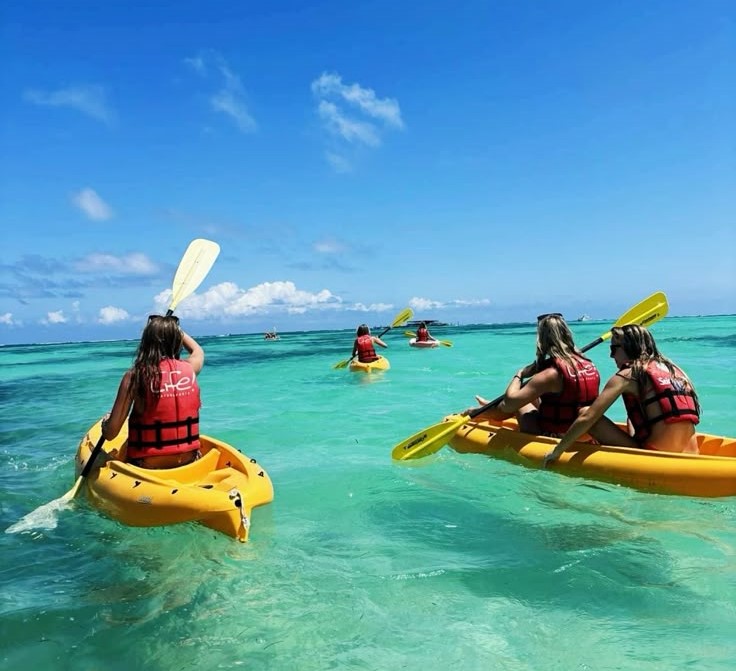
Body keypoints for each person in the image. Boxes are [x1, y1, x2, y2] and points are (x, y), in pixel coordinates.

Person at [543, 324, 700, 466]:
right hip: (692, 453)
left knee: (585, 412)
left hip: (655, 455)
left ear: (629, 347)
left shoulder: (627, 375)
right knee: (630, 419)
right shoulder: (674, 370)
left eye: (613, 349)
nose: (611, 356)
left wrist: (557, 451)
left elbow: (588, 417)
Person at [100, 314, 205, 469]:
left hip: (147, 464)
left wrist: (106, 424)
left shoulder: (134, 377)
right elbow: (197, 350)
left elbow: (111, 434)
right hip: (189, 460)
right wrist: (174, 329)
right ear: (177, 341)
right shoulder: (190, 369)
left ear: (146, 342)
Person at [470, 313, 600, 436]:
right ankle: (489, 407)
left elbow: (508, 404)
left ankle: (478, 413)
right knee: (530, 394)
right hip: (584, 429)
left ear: (542, 339)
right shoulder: (588, 364)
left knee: (517, 402)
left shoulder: (550, 374)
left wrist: (520, 374)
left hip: (557, 434)